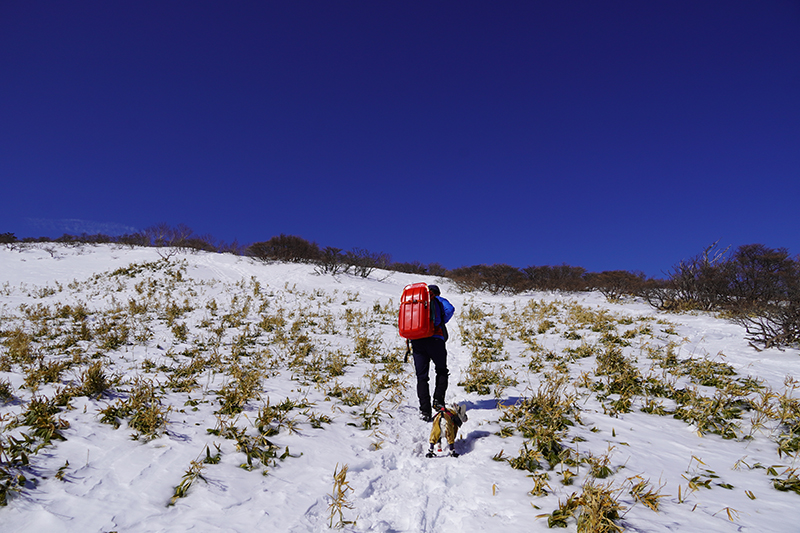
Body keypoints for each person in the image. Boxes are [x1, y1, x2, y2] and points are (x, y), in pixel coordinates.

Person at [411, 284, 455, 422]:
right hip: (436, 339)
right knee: (441, 370)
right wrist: (440, 321)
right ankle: (438, 401)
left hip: (418, 340)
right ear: (437, 293)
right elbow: (450, 309)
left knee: (421, 377)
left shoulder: (415, 300)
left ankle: (425, 411)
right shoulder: (438, 300)